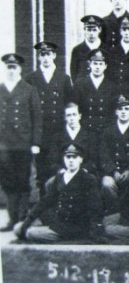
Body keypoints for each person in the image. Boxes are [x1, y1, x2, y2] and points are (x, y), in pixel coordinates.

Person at [15, 143, 102, 242]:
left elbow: (95, 207)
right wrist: (28, 219)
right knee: (18, 228)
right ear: (64, 159)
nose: (71, 160)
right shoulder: (60, 177)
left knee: (30, 233)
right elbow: (45, 201)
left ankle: (63, 237)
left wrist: (94, 231)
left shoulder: (88, 179)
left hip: (75, 225)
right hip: (59, 220)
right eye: (68, 157)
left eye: (74, 157)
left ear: (81, 159)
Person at [0, 54, 42, 231]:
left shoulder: (28, 89)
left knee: (23, 182)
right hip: (4, 144)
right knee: (8, 183)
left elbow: (37, 118)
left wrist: (35, 142)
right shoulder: (0, 89)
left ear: (20, 69)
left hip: (23, 143)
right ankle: (12, 219)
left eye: (14, 67)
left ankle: (23, 218)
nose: (11, 70)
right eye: (8, 67)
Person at [24, 42, 73, 190]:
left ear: (54, 55)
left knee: (59, 168)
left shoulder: (63, 78)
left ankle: (58, 207)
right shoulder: (31, 78)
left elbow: (69, 104)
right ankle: (44, 209)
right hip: (40, 133)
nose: (45, 57)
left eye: (48, 54)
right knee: (41, 171)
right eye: (42, 54)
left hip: (58, 131)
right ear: (38, 57)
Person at [99, 95, 129, 212]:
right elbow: (103, 155)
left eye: (126, 109)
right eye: (120, 109)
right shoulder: (107, 131)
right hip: (113, 172)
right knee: (107, 184)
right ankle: (115, 211)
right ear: (116, 112)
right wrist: (113, 171)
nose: (123, 112)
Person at [72, 48, 118, 133]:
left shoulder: (112, 86)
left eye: (101, 64)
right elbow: (75, 108)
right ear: (89, 64)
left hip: (105, 131)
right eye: (95, 63)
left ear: (105, 66)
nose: (97, 67)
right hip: (85, 130)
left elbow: (114, 112)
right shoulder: (79, 84)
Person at [70, 15, 106, 79]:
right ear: (84, 30)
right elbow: (74, 73)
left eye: (94, 30)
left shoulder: (106, 49)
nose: (91, 33)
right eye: (89, 30)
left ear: (99, 30)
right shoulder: (77, 50)